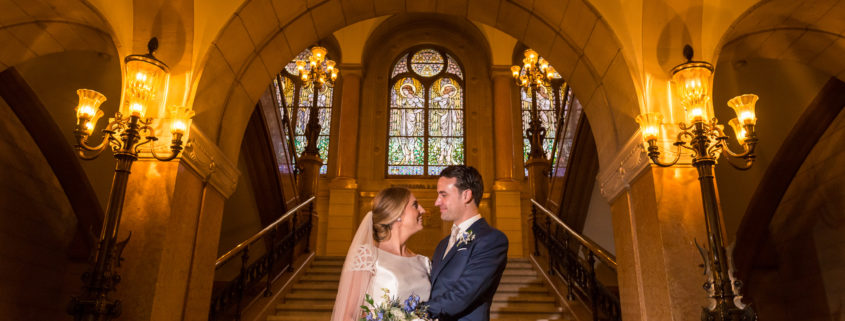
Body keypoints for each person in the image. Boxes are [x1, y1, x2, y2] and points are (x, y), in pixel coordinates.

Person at [331, 187, 430, 321]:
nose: (422, 210)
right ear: (398, 214)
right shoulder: (368, 256)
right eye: (415, 205)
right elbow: (347, 315)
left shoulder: (424, 262)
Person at [428, 165, 509, 321]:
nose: (437, 202)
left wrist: (412, 313)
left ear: (466, 196)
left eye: (443, 195)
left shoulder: (492, 240)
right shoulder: (442, 245)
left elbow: (462, 295)